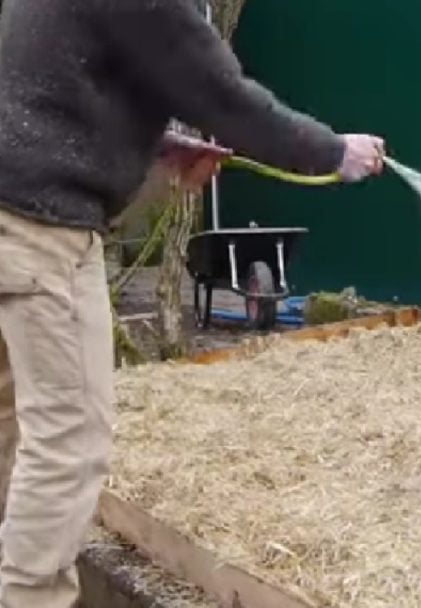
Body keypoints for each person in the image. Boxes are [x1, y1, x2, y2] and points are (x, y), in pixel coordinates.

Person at [0, 1, 386, 606]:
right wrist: (332, 151)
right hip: (38, 226)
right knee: (69, 442)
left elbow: (58, 79)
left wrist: (151, 141)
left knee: (11, 417)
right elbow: (221, 97)